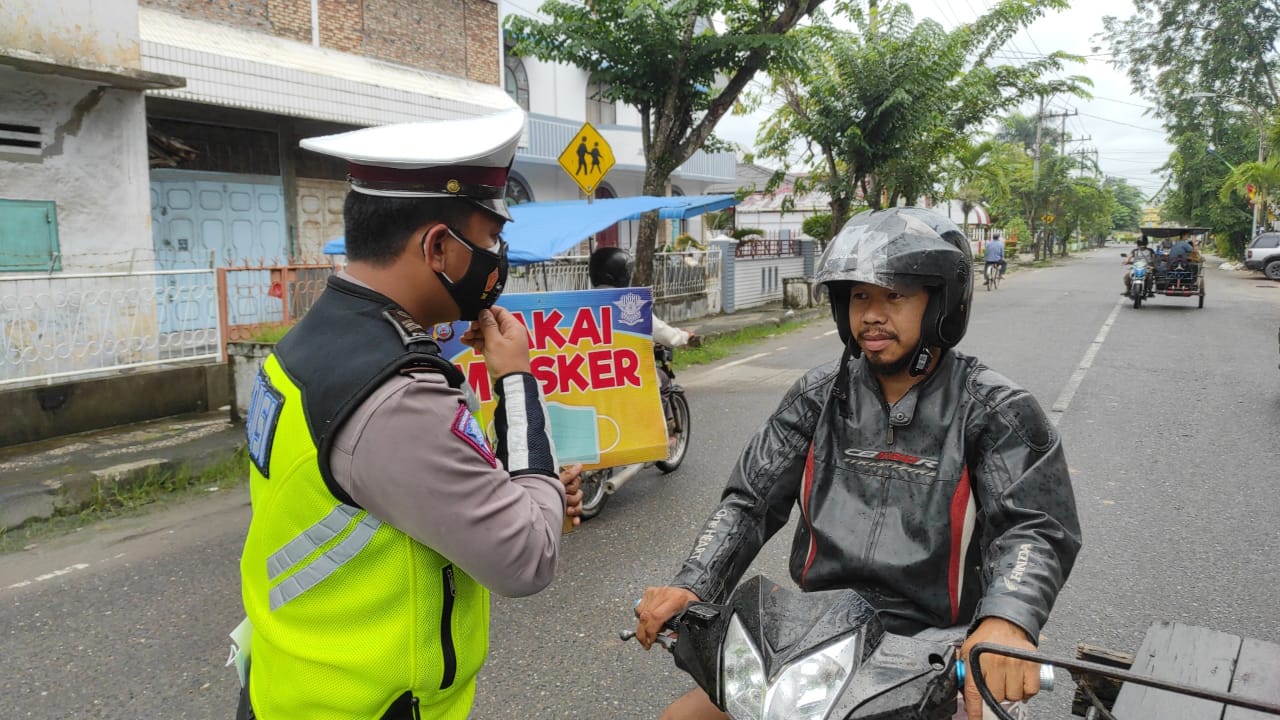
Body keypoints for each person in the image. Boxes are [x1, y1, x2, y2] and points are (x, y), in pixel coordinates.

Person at [634, 207, 1082, 720]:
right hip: (815, 644)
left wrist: (1009, 618)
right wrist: (694, 582)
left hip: (937, 653)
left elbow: (1034, 528)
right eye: (860, 296)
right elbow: (748, 503)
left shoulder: (995, 409)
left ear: (941, 301)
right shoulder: (816, 396)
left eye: (895, 295)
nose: (872, 314)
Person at [235, 108, 583, 720]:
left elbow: (394, 488)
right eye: (491, 239)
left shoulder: (308, 341)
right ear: (440, 248)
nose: (498, 257)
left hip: (289, 688)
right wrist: (519, 380)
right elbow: (528, 556)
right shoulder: (398, 392)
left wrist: (525, 488)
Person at [588, 246, 693, 349]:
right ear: (611, 277)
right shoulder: (627, 303)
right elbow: (667, 336)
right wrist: (684, 335)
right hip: (628, 363)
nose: (628, 276)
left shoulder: (581, 303)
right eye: (625, 272)